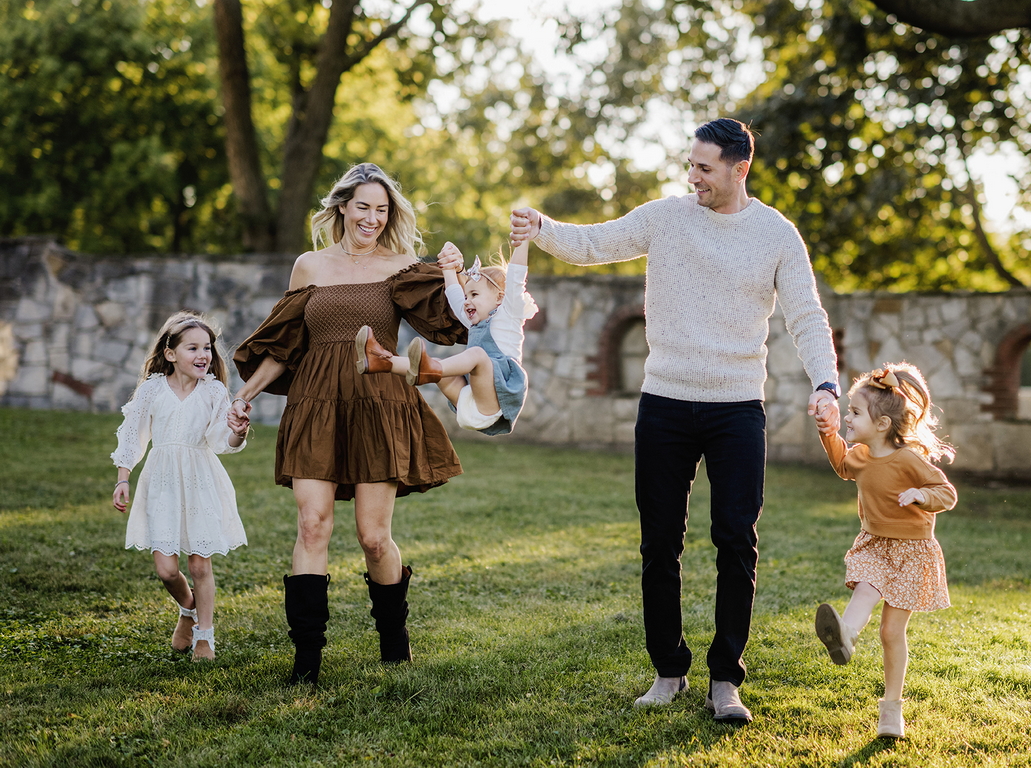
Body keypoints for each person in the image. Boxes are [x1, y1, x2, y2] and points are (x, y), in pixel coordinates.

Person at [510, 118, 841, 723]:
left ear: (740, 169)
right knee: (659, 542)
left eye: (705, 168)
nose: (694, 177)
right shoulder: (665, 217)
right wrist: (543, 228)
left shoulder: (775, 234)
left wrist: (826, 384)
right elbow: (596, 244)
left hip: (737, 408)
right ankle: (669, 670)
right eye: (690, 165)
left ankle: (725, 680)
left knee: (735, 541)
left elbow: (807, 316)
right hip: (663, 403)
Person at [229, 162, 468, 685]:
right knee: (312, 524)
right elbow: (286, 345)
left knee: (374, 537)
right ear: (342, 207)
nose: (372, 218)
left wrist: (453, 274)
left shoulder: (403, 267)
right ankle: (306, 660)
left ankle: (394, 641)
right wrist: (243, 395)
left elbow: (456, 324)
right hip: (316, 405)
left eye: (382, 210)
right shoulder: (309, 266)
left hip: (379, 407)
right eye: (363, 207)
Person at [813, 363, 957, 739]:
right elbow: (842, 464)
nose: (847, 417)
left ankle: (891, 710)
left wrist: (921, 494)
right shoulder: (860, 455)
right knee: (866, 588)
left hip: (912, 552)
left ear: (881, 424)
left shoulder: (908, 459)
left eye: (855, 412)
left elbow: (947, 493)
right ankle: (845, 634)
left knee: (891, 632)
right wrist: (828, 432)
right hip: (875, 544)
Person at [111, 312, 249, 662]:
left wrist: (238, 432)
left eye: (207, 348)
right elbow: (132, 435)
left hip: (200, 482)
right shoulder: (153, 389)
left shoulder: (214, 392)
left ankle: (205, 636)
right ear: (170, 353)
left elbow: (221, 439)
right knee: (167, 570)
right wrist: (123, 478)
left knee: (200, 566)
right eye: (193, 348)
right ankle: (188, 609)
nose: (203, 355)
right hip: (162, 484)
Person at [355, 239, 539, 436]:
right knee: (444, 370)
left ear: (500, 297)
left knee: (475, 355)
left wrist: (522, 240)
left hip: (496, 400)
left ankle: (429, 369)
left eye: (474, 294)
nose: (467, 301)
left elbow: (516, 277)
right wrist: (449, 268)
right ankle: (380, 361)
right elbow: (453, 294)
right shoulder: (473, 322)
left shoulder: (508, 315)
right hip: (468, 401)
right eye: (467, 296)